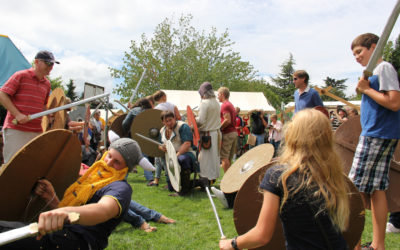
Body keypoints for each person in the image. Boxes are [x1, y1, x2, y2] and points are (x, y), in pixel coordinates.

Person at [219, 109, 350, 250]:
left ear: (293, 135)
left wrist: (231, 244)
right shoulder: (334, 174)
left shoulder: (278, 176)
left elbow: (262, 235)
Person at [0, 138, 144, 249]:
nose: (108, 162)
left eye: (117, 162)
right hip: (65, 233)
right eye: (109, 156)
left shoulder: (121, 188)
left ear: (126, 168)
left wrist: (66, 211)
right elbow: (71, 217)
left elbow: (103, 210)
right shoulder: (90, 179)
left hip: (80, 242)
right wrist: (51, 197)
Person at [348, 33, 400, 250]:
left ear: (374, 47)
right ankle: (378, 245)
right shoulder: (373, 73)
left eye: (359, 51)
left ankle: (355, 244)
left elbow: (394, 102)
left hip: (376, 135)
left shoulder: (383, 68)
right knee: (377, 188)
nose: (356, 57)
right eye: (354, 54)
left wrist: (367, 89)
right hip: (380, 133)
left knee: (354, 188)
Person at [0, 50, 58, 163]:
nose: (51, 67)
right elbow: (2, 94)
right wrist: (17, 114)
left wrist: (49, 114)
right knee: (13, 166)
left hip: (36, 131)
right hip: (16, 129)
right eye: (48, 63)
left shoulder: (47, 84)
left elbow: (43, 105)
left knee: (31, 166)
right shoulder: (21, 75)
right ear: (36, 62)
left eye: (52, 64)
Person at [158, 110, 198, 196]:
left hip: (187, 153)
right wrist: (162, 148)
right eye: (166, 121)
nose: (169, 123)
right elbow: (159, 145)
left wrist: (176, 156)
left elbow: (187, 144)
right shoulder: (162, 130)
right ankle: (197, 183)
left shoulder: (183, 126)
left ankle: (184, 190)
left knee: (182, 160)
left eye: (170, 120)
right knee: (171, 188)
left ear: (174, 118)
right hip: (171, 156)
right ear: (163, 122)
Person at [195, 82, 221, 187]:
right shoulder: (216, 102)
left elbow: (201, 121)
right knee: (213, 158)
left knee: (206, 159)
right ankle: (211, 179)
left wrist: (193, 119)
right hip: (216, 133)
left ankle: (205, 180)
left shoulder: (205, 103)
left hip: (208, 135)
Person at [217, 87, 237, 173]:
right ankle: (231, 181)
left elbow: (227, 120)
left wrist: (219, 129)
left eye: (218, 94)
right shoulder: (230, 105)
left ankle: (227, 182)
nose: (217, 96)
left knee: (224, 158)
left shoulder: (224, 105)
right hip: (233, 133)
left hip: (228, 133)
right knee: (229, 158)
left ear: (222, 95)